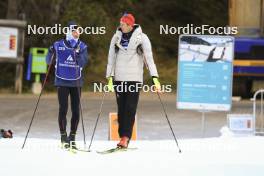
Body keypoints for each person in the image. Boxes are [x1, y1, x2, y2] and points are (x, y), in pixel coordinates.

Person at [106, 13, 161, 148]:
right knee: (121, 109)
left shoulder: (142, 38)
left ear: (130, 25)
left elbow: (149, 59)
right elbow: (111, 59)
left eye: (123, 24)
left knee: (130, 108)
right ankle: (122, 137)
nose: (120, 26)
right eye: (120, 23)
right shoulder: (116, 37)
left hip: (134, 79)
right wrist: (110, 78)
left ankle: (126, 137)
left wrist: (155, 78)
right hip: (119, 78)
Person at [46, 21, 88, 150]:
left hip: (76, 82)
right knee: (63, 108)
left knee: (76, 110)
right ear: (69, 32)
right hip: (62, 81)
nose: (77, 33)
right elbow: (48, 60)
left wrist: (77, 53)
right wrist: (50, 53)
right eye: (74, 31)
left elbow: (82, 63)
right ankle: (63, 137)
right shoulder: (58, 44)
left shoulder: (82, 46)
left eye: (78, 31)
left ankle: (72, 137)